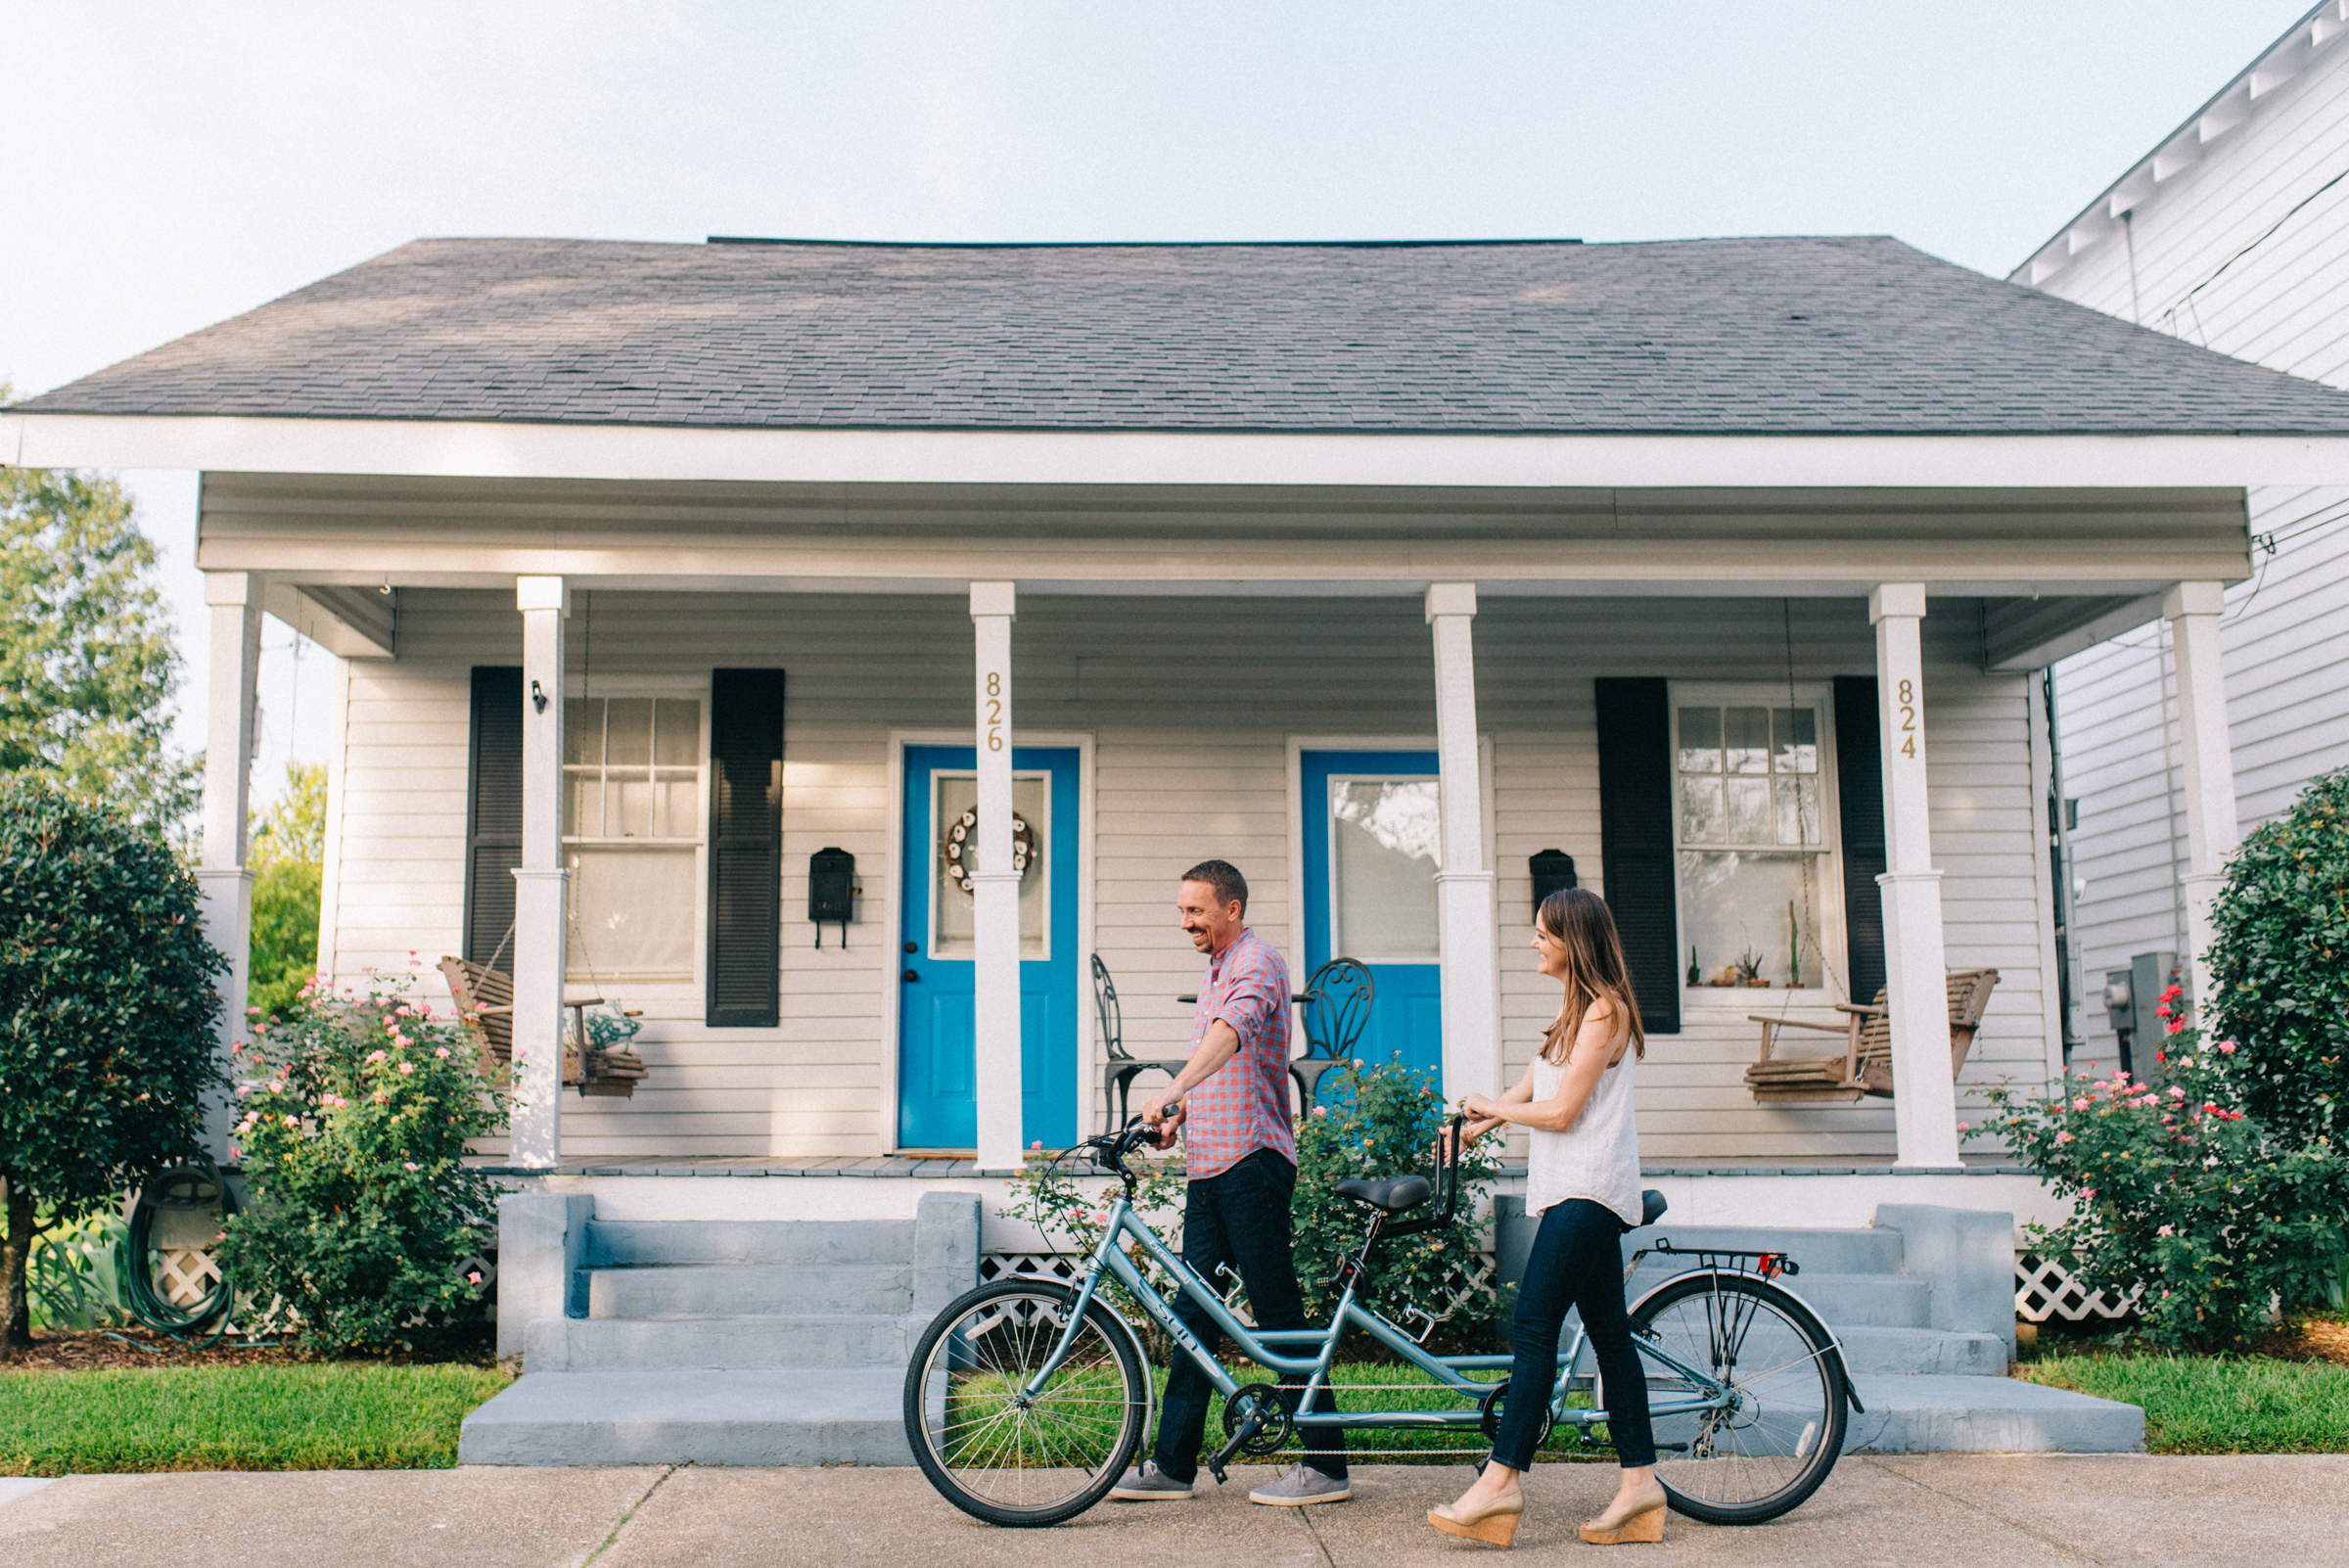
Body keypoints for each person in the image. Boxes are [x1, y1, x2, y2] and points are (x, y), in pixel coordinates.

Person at [1107, 858, 1351, 1507]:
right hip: (1209, 1163)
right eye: (1182, 910)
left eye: (1196, 910)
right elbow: (1215, 1066)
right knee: (1194, 1312)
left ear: (1232, 908)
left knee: (1275, 1310)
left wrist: (1172, 1088)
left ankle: (1326, 1464)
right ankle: (1173, 1465)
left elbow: (1231, 1034)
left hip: (1251, 1161)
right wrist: (1179, 1113)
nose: (1185, 921)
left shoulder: (1257, 964)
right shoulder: (1215, 970)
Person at [1427, 887, 1664, 1548]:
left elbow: (1562, 1114)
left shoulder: (1606, 1013)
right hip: (1570, 1193)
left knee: (1533, 1327)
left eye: (1542, 933)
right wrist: (1472, 1128)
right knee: (1610, 1339)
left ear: (1573, 941)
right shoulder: (1573, 1014)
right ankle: (1641, 1487)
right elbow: (1528, 1093)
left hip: (1591, 1194)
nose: (1533, 942)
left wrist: (1492, 1109)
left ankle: (1501, 1483)